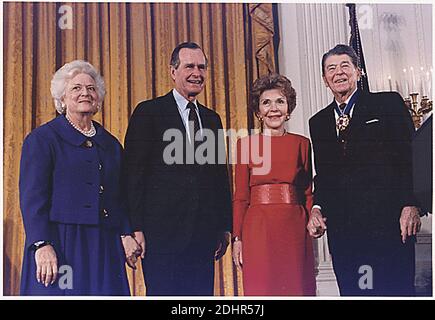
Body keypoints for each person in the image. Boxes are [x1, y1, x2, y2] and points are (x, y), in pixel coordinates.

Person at [19, 60, 141, 295]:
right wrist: (41, 244)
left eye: (91, 88)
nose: (85, 92)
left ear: (98, 99)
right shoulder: (43, 139)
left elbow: (120, 197)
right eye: (76, 88)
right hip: (61, 243)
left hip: (104, 244)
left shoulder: (111, 144)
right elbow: (32, 199)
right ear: (62, 98)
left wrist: (126, 233)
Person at [308, 44, 422, 296]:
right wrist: (317, 208)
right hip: (344, 233)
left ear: (358, 72)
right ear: (324, 79)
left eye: (344, 66)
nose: (338, 73)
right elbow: (324, 174)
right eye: (331, 68)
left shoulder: (388, 104)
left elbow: (411, 157)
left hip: (390, 227)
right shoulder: (318, 122)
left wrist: (411, 203)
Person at [123, 42, 232, 296]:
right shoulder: (148, 112)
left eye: (202, 67)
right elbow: (133, 175)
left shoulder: (212, 119)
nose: (197, 73)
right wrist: (134, 227)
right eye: (189, 66)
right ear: (173, 72)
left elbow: (219, 178)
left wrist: (224, 226)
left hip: (203, 238)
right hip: (160, 238)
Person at [232, 73, 317, 296]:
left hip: (295, 228)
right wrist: (238, 238)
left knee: (296, 288)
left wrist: (312, 222)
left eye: (280, 101)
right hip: (257, 230)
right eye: (266, 102)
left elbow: (307, 192)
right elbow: (240, 196)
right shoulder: (245, 145)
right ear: (258, 111)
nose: (274, 108)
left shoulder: (302, 144)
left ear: (288, 108)